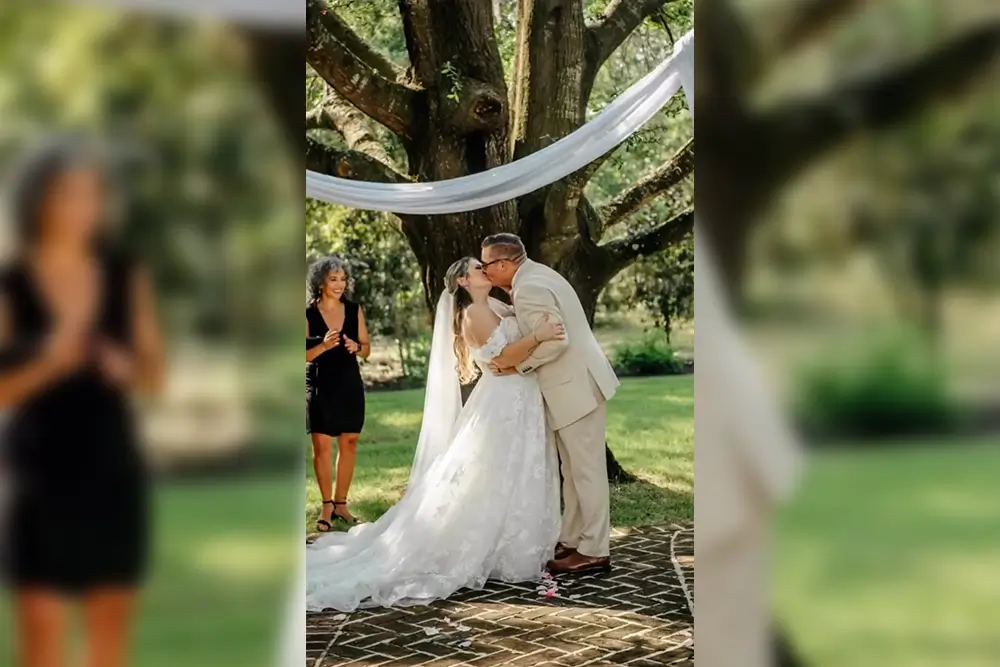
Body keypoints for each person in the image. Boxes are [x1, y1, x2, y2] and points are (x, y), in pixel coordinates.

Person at [305, 256, 566, 612]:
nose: (484, 271)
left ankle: (513, 544)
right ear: (462, 282)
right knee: (497, 470)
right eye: (477, 269)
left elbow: (507, 357)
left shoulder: (494, 304)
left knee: (514, 470)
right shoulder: (474, 313)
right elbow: (502, 358)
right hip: (504, 402)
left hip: (519, 397)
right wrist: (539, 335)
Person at [0, 139, 164, 667]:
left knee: (108, 643)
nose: (83, 206)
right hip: (39, 476)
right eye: (69, 193)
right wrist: (52, 360)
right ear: (40, 200)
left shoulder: (123, 274)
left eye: (92, 194)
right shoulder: (12, 284)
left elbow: (155, 376)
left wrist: (126, 367)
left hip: (111, 469)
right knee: (42, 642)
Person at [482, 233, 620, 575]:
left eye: (486, 265)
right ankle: (573, 539)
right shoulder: (536, 275)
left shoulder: (529, 287)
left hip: (575, 387)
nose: (484, 272)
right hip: (574, 385)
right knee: (572, 471)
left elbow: (557, 342)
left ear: (503, 264)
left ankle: (594, 550)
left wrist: (517, 366)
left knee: (586, 472)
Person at [306, 256, 369, 530]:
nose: (340, 284)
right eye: (334, 279)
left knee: (350, 441)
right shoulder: (307, 314)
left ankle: (342, 504)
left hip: (349, 383)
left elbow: (367, 348)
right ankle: (326, 505)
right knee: (321, 446)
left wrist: (357, 347)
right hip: (320, 383)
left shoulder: (354, 310)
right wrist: (323, 346)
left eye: (343, 279)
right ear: (320, 282)